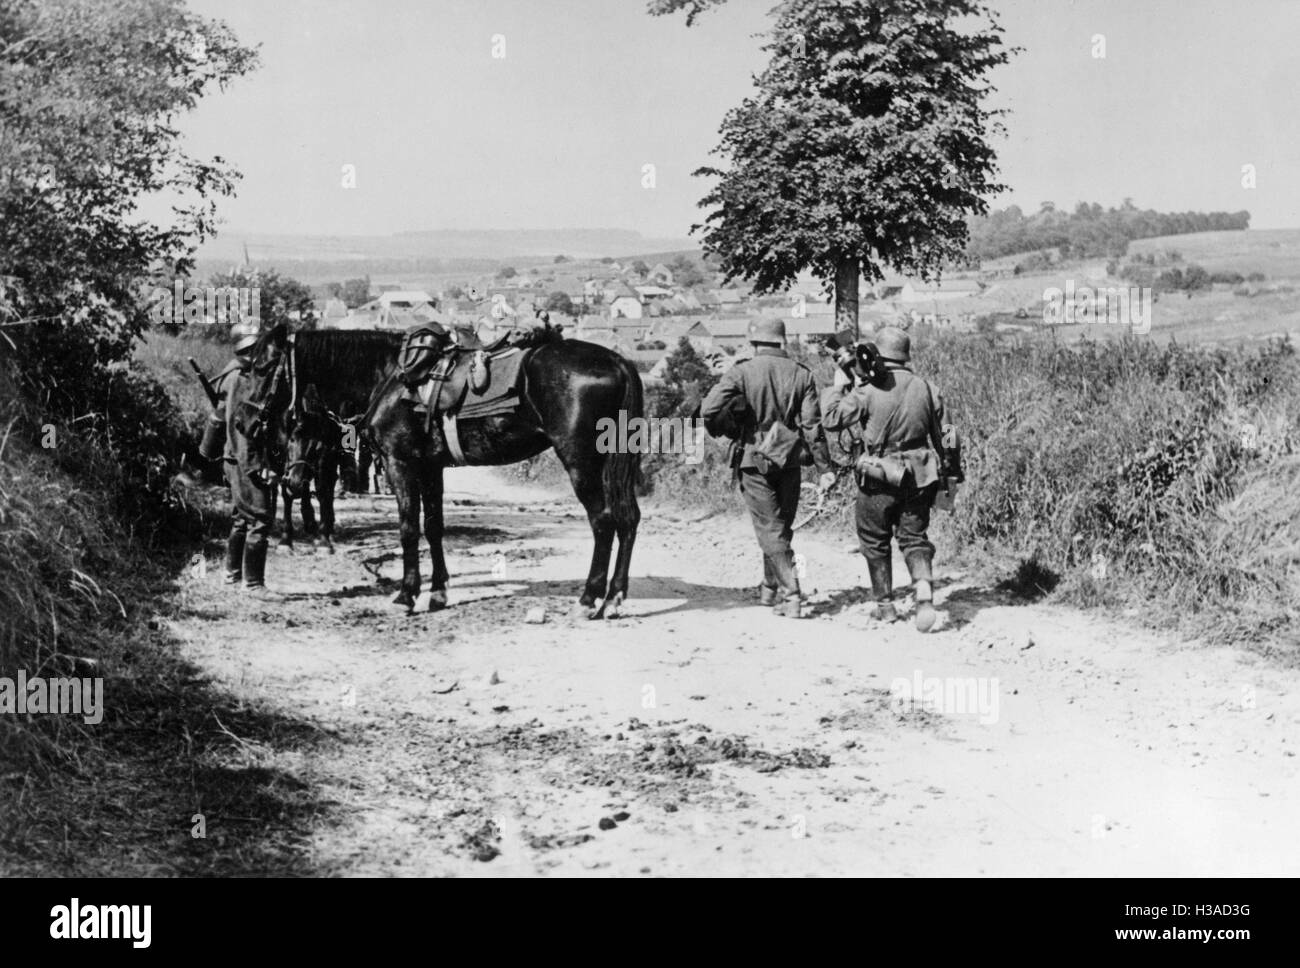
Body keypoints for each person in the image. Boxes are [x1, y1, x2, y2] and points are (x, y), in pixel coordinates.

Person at [700, 317, 835, 618]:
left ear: (753, 342)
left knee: (770, 529)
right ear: (782, 341)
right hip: (789, 456)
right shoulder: (802, 374)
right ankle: (769, 589)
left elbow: (708, 409)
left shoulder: (742, 372)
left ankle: (792, 594)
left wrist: (735, 424)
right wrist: (825, 466)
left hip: (753, 456)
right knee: (781, 528)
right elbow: (812, 425)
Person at [821, 326, 954, 632]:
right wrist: (951, 470)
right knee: (914, 537)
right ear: (905, 356)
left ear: (877, 355)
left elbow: (831, 420)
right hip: (920, 474)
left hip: (879, 475)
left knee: (874, 538)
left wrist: (838, 385)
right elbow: (947, 434)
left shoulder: (866, 391)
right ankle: (922, 587)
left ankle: (886, 606)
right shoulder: (927, 387)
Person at [174, 322, 260, 488]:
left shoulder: (256, 369)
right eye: (250, 348)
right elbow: (225, 404)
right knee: (218, 418)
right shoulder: (234, 372)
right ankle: (204, 468)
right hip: (236, 422)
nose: (253, 352)